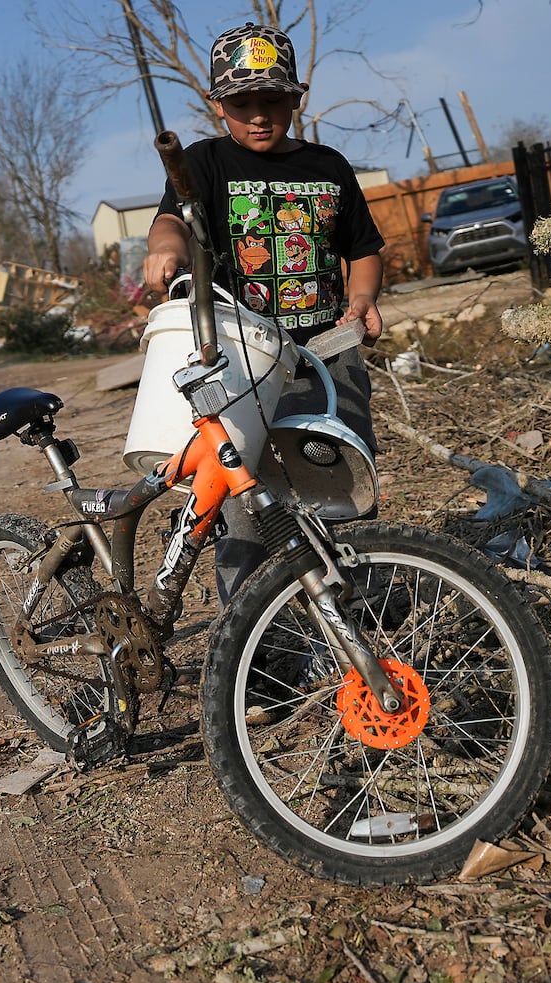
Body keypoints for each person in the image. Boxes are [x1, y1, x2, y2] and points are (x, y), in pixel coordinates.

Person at [143, 21, 385, 605]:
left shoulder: (328, 166)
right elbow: (174, 215)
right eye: (241, 102)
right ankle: (252, 633)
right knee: (248, 498)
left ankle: (342, 608)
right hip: (243, 357)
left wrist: (364, 297)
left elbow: (364, 247)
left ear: (296, 99)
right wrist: (166, 247)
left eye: (272, 100)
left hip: (328, 353)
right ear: (216, 104)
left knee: (335, 480)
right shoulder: (205, 161)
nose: (258, 115)